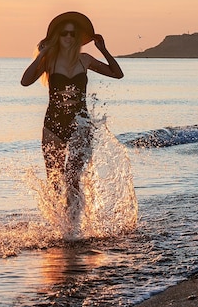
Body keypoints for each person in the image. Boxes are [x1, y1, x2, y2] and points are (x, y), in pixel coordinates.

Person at [21, 12, 124, 201]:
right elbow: (25, 81)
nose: (68, 37)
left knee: (73, 178)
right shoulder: (49, 61)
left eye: (72, 34)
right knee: (55, 181)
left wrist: (103, 49)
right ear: (57, 37)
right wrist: (41, 54)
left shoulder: (85, 60)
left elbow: (117, 74)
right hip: (53, 124)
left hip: (81, 124)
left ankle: (74, 225)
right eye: (64, 33)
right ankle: (60, 226)